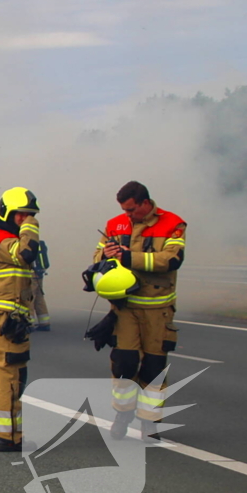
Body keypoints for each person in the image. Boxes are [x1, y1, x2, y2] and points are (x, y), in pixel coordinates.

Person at [87, 181, 186, 442]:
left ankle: (150, 423)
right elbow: (97, 256)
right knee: (123, 364)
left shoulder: (173, 224)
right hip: (125, 308)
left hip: (157, 309)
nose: (128, 215)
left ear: (145, 203)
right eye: (124, 210)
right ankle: (123, 414)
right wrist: (105, 255)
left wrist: (129, 256)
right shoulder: (114, 224)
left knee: (154, 368)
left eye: (131, 210)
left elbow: (171, 260)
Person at [0, 188, 41, 452]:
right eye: (21, 215)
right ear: (7, 213)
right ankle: (10, 436)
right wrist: (32, 226)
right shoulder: (1, 238)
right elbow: (26, 254)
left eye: (30, 215)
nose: (25, 219)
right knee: (13, 373)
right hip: (5, 317)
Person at [30, 240, 51, 331]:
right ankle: (44, 323)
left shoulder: (26, 244)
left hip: (31, 275)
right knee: (39, 297)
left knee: (29, 298)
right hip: (39, 273)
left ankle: (29, 323)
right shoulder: (38, 244)